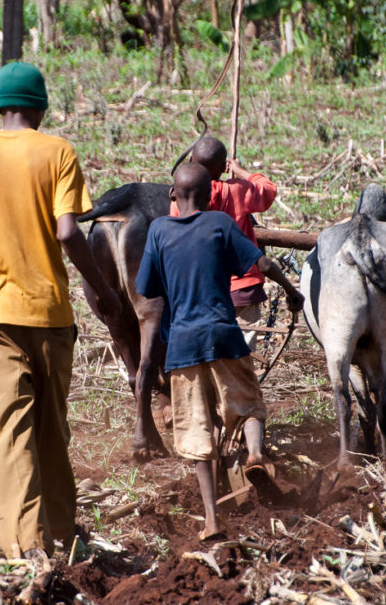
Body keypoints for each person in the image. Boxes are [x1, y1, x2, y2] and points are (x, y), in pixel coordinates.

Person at [0, 62, 121, 566]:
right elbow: (68, 232)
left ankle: (26, 548)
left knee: (6, 434)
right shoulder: (57, 152)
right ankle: (62, 533)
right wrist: (101, 286)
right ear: (41, 107)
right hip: (50, 313)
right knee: (50, 429)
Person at [136, 163, 302, 541]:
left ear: (173, 197)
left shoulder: (159, 230)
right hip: (224, 334)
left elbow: (145, 287)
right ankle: (256, 456)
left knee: (197, 435)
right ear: (209, 194)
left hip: (182, 344)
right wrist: (291, 292)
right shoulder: (220, 224)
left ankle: (211, 520)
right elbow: (262, 262)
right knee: (249, 404)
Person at [170, 136, 278, 346]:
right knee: (243, 357)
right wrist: (240, 171)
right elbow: (268, 190)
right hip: (242, 288)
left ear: (191, 160)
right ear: (223, 166)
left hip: (200, 290)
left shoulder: (179, 201)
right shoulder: (237, 190)